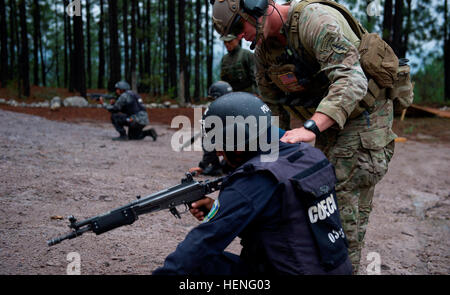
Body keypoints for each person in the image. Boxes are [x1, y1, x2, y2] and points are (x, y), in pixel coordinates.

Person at [211, 0, 397, 274]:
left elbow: (351, 80)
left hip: (363, 118)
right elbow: (270, 112)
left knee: (338, 212)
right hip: (327, 122)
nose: (239, 36)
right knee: (305, 201)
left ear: (257, 7)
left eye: (239, 26)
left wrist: (310, 128)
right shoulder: (264, 51)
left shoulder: (316, 21)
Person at [153, 92, 352, 275]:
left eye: (221, 145)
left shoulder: (253, 179)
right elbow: (284, 220)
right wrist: (218, 208)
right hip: (334, 268)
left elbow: (202, 243)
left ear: (239, 145)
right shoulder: (309, 155)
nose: (220, 153)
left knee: (201, 266)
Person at [189, 81, 233, 177]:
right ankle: (229, 165)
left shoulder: (214, 110)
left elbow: (209, 142)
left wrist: (203, 166)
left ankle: (216, 167)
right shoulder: (238, 105)